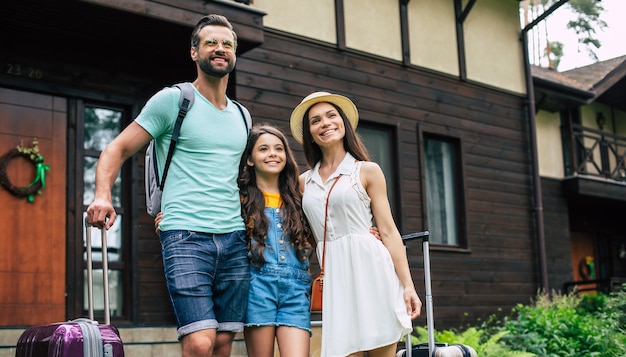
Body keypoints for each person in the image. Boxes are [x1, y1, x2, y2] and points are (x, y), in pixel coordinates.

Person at [86, 14, 250, 357]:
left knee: (223, 341)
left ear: (234, 53)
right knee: (200, 341)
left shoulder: (242, 116)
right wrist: (103, 195)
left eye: (228, 44)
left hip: (235, 238)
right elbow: (116, 148)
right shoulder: (174, 101)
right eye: (211, 43)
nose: (220, 49)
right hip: (186, 235)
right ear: (194, 52)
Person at [289, 92, 423, 357]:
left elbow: (388, 231)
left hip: (373, 271)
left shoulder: (367, 171)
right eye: (315, 121)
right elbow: (309, 236)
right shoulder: (303, 182)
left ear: (343, 123)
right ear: (309, 133)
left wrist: (408, 285)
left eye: (331, 116)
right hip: (335, 277)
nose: (324, 123)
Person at [238, 124, 314, 357]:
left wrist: (368, 231)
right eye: (263, 149)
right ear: (250, 159)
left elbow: (329, 224)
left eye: (278, 148)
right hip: (257, 288)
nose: (273, 153)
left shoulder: (300, 197)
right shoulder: (238, 198)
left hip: (296, 289)